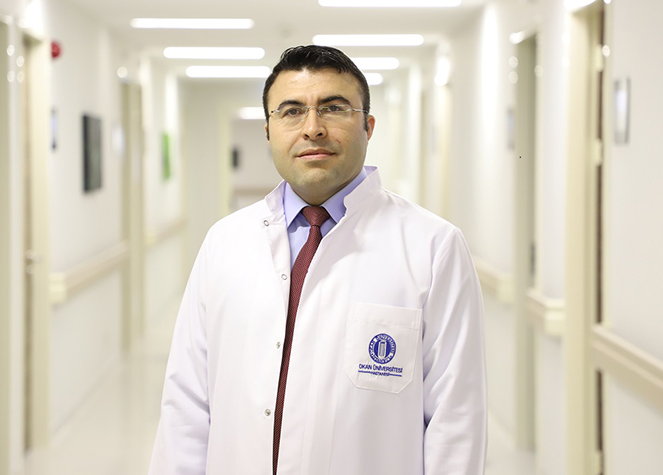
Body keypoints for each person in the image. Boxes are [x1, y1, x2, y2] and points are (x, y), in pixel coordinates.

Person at [148, 45, 487, 475]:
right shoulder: (224, 243)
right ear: (268, 131)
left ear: (368, 126)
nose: (312, 128)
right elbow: (187, 404)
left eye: (333, 108)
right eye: (291, 111)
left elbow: (456, 420)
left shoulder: (433, 247)